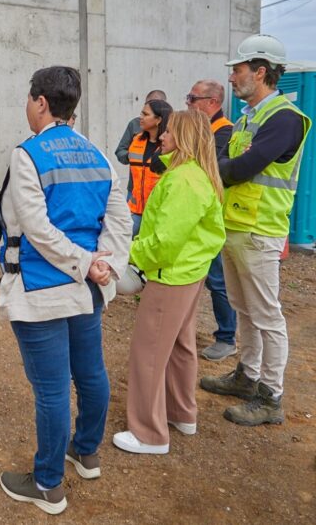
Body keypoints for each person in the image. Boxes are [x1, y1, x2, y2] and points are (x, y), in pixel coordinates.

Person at [0, 66, 131, 515]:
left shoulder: (28, 154)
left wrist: (87, 263)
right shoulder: (99, 155)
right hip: (88, 291)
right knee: (90, 373)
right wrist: (105, 264)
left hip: (41, 291)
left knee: (51, 390)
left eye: (28, 99)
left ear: (41, 103)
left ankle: (49, 484)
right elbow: (120, 221)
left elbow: (36, 228)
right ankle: (85, 452)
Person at [200, 34, 311, 426]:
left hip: (260, 231)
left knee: (266, 316)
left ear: (261, 71)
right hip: (235, 227)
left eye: (238, 70)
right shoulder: (249, 116)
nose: (231, 78)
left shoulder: (284, 118)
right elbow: (227, 161)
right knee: (244, 309)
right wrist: (222, 166)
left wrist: (215, 168)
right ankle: (247, 377)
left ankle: (270, 397)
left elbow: (239, 168)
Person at [113, 109, 226, 455]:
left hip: (170, 276)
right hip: (188, 274)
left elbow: (164, 242)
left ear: (184, 137)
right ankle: (181, 413)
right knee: (180, 347)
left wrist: (130, 255)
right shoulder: (195, 175)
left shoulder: (183, 181)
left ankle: (149, 433)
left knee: (148, 353)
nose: (161, 136)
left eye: (168, 132)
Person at [185, 80, 238, 361]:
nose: (189, 103)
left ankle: (227, 337)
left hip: (213, 215)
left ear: (212, 103)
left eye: (193, 99)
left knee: (217, 279)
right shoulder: (202, 130)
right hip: (197, 212)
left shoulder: (224, 131)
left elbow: (210, 169)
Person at [127, 99, 172, 235]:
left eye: (145, 114)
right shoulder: (136, 140)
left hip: (158, 212)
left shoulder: (169, 146)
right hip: (135, 210)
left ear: (158, 120)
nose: (141, 117)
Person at [115, 89, 167, 165]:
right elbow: (121, 151)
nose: (150, 107)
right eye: (148, 103)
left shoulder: (172, 127)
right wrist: (132, 155)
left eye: (156, 104)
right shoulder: (135, 124)